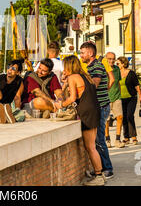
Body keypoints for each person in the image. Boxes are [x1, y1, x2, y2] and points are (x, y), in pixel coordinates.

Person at [54, 55, 104, 186]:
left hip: (86, 113)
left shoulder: (73, 77)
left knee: (90, 147)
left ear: (69, 66)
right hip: (94, 111)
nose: (64, 69)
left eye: (65, 66)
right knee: (93, 145)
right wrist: (65, 84)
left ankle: (99, 176)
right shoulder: (86, 76)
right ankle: (98, 172)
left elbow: (72, 98)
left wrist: (61, 105)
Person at [79, 41, 114, 180]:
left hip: (101, 107)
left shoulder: (97, 66)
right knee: (96, 139)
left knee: (99, 139)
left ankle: (108, 169)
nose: (80, 55)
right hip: (97, 106)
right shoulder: (89, 66)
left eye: (82, 52)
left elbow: (94, 85)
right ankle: (99, 168)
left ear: (90, 53)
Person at [116, 56, 141, 145]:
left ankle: (134, 137)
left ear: (123, 64)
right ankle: (126, 137)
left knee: (129, 116)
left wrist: (140, 96)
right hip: (120, 99)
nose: (117, 65)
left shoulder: (131, 73)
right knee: (123, 117)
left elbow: (137, 85)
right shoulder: (117, 73)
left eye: (118, 63)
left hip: (131, 98)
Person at [104, 52, 125, 149]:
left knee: (120, 117)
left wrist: (120, 95)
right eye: (109, 59)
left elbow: (118, 83)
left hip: (117, 97)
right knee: (106, 120)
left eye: (113, 59)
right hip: (106, 98)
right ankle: (107, 139)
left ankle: (117, 139)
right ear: (105, 59)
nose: (111, 61)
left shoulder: (117, 69)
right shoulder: (103, 69)